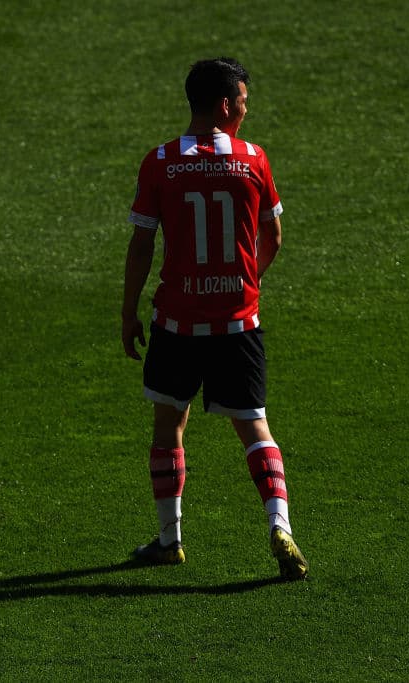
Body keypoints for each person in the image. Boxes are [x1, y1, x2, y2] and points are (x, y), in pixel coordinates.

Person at [120, 57, 308, 580]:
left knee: (167, 427)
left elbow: (141, 244)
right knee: (255, 428)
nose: (247, 111)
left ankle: (169, 538)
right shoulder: (253, 160)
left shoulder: (159, 162)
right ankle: (281, 525)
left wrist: (128, 310)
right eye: (244, 102)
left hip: (177, 324)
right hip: (238, 323)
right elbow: (273, 238)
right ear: (226, 106)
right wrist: (249, 281)